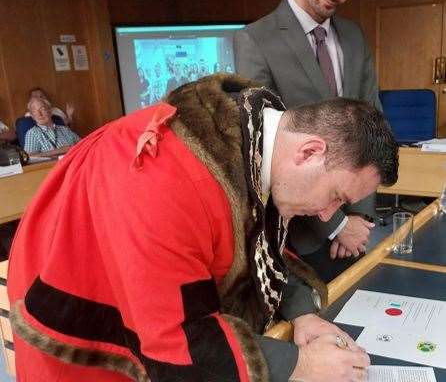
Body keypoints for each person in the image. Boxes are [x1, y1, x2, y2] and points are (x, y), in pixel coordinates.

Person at [8, 74, 398, 382]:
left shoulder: (260, 143)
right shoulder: (161, 180)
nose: (329, 215)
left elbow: (261, 251)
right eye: (336, 196)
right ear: (309, 151)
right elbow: (174, 343)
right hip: (85, 354)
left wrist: (302, 314)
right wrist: (299, 364)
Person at [234, 0, 380, 267]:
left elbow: (373, 129)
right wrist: (337, 225)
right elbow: (266, 152)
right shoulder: (256, 41)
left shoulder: (354, 38)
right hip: (299, 239)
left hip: (357, 233)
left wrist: (360, 217)